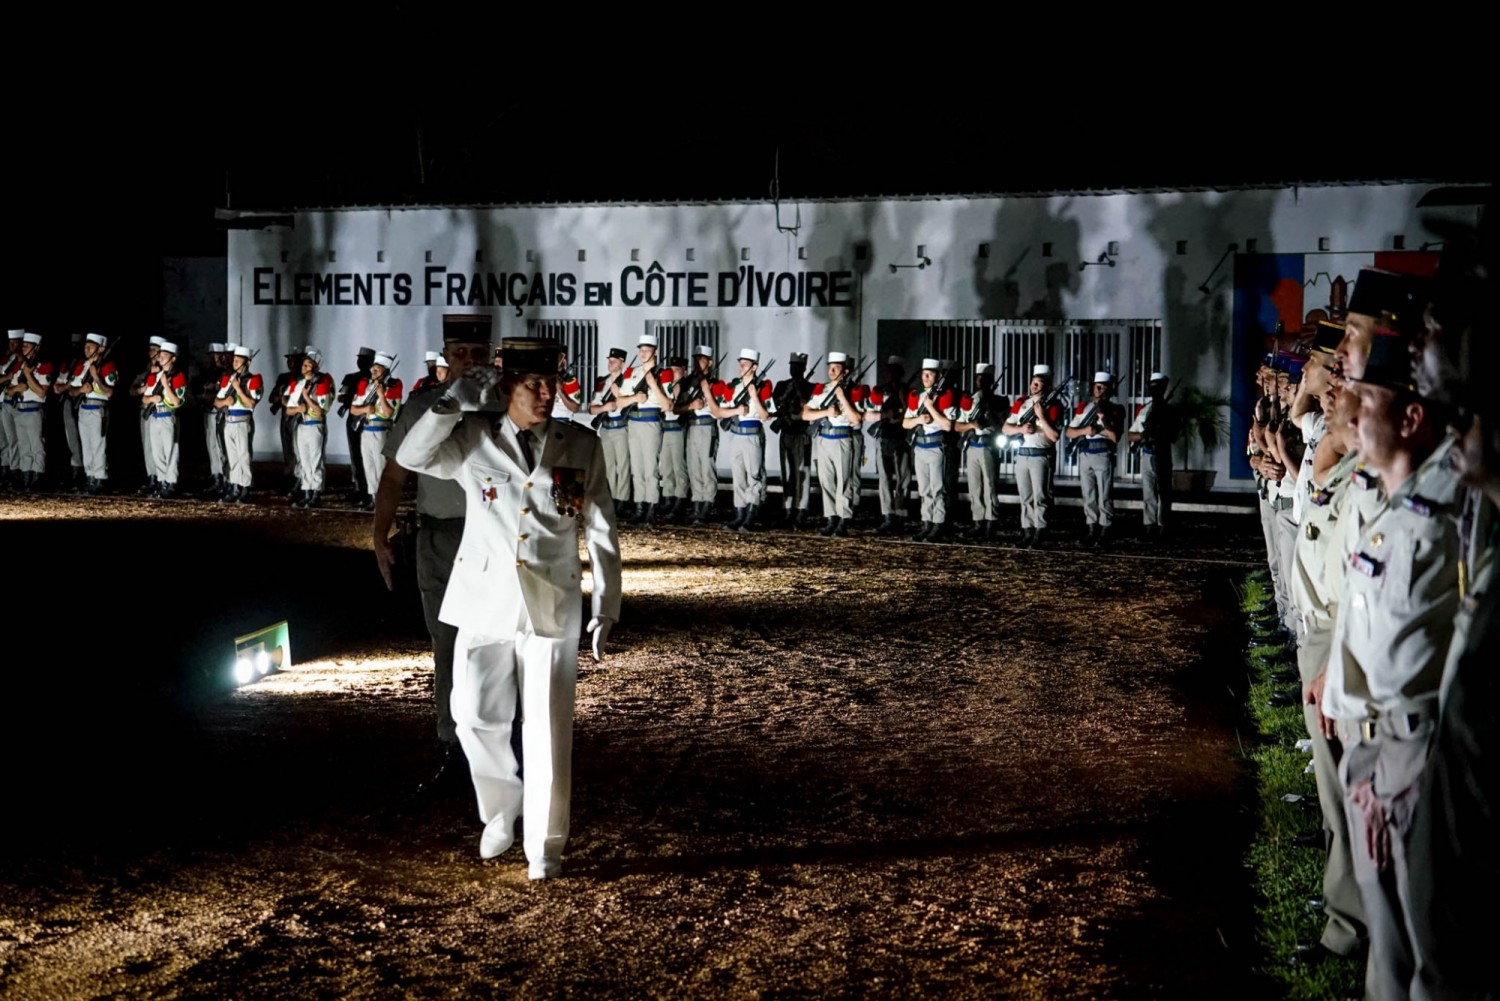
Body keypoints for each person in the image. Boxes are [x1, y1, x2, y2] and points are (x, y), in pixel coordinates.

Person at [395, 337, 622, 881]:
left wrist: (606, 605)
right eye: (532, 385)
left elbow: (601, 526)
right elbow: (411, 456)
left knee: (547, 731)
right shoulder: (473, 438)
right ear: (506, 386)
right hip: (483, 600)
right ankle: (500, 809)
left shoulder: (580, 443)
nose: (547, 394)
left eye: (551, 383)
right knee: (472, 717)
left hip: (553, 602)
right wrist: (449, 401)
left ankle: (545, 846)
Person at [1320, 320, 1457, 1001]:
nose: (1347, 410)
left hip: (1419, 750)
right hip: (1374, 749)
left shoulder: (1451, 511)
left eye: (1362, 400)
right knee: (1392, 951)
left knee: (1431, 957)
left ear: (1410, 415)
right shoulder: (1391, 505)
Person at [374, 319, 497, 787]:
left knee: (498, 644)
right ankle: (452, 746)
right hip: (441, 538)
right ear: (447, 354)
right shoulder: (424, 407)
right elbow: (394, 476)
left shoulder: (509, 406)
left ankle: (502, 747)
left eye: (475, 350)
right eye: (459, 350)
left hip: (494, 539)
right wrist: (379, 536)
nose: (468, 358)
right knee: (446, 642)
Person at [709, 348, 775, 532]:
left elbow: (765, 416)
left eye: (745, 364)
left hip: (752, 434)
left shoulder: (763, 387)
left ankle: (751, 516)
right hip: (736, 435)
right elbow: (719, 412)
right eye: (740, 363)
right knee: (738, 476)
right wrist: (736, 411)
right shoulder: (733, 387)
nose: (741, 367)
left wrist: (754, 395)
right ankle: (739, 514)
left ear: (754, 367)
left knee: (754, 476)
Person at [1002, 364, 1063, 547]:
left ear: (1047, 386)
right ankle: (1027, 530)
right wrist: (1021, 428)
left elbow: (1054, 436)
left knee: (1041, 496)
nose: (1034, 386)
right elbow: (1005, 428)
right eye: (1033, 382)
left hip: (1041, 455)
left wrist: (1042, 417)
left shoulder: (1054, 406)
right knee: (1026, 496)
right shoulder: (1022, 403)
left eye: (1039, 383)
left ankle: (1040, 530)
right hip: (1023, 455)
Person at [612, 333, 670, 525]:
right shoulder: (631, 372)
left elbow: (668, 405)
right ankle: (639, 507)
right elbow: (619, 401)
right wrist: (634, 399)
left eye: (647, 350)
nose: (643, 353)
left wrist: (654, 384)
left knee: (650, 469)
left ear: (656, 352)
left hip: (651, 421)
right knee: (636, 468)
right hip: (633, 422)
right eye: (641, 349)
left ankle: (651, 508)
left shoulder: (663, 374)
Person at [801, 351, 860, 537]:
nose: (832, 371)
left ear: (846, 371)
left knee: (844, 481)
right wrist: (826, 411)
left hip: (842, 438)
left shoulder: (852, 391)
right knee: (826, 480)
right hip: (824, 439)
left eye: (836, 368)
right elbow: (806, 414)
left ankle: (844, 518)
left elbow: (856, 419)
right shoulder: (822, 390)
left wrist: (842, 397)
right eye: (830, 367)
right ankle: (831, 517)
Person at [1067, 371, 1125, 547]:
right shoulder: (1083, 407)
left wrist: (1104, 419)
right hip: (1085, 453)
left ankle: (1106, 527)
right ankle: (1091, 528)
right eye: (1097, 386)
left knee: (1105, 495)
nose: (1099, 390)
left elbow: (1115, 437)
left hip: (1103, 453)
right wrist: (1085, 431)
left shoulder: (1116, 409)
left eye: (1103, 387)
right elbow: (1070, 431)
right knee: (1088, 494)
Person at [902, 357, 957, 542]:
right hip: (920, 446)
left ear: (938, 376)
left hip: (936, 446)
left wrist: (931, 409)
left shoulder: (945, 396)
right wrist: (918, 419)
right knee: (924, 488)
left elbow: (947, 425)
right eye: (924, 373)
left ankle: (938, 523)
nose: (925, 377)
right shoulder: (915, 395)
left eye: (930, 374)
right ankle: (926, 522)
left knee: (937, 488)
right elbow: (905, 423)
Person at [864, 357, 913, 536]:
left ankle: (900, 515)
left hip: (900, 437)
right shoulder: (881, 390)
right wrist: (886, 415)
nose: (891, 374)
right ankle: (888, 516)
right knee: (885, 479)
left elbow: (908, 412)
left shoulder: (904, 389)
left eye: (894, 370)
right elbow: (871, 412)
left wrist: (897, 415)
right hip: (884, 436)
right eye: (889, 370)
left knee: (902, 478)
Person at [349, 351, 403, 511]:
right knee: (369, 467)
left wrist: (381, 395)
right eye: (373, 368)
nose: (373, 371)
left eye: (378, 369)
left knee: (381, 468)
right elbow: (353, 409)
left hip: (381, 430)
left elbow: (388, 413)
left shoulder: (393, 385)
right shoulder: (365, 385)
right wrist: (365, 408)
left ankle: (384, 499)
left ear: (386, 371)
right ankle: (373, 498)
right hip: (365, 429)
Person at [1128, 372, 1180, 538]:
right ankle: (1149, 525)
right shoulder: (1145, 410)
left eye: (1158, 386)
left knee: (1163, 492)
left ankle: (1164, 525)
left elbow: (1173, 436)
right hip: (1146, 453)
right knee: (1148, 492)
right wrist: (1143, 435)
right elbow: (1130, 434)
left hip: (1162, 453)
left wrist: (1159, 430)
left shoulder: (1170, 411)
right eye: (1152, 386)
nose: (1154, 390)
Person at [955, 361, 1002, 540]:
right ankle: (978, 521)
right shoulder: (970, 401)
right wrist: (971, 424)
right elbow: (958, 426)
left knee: (990, 485)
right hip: (973, 445)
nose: (981, 382)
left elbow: (1003, 425)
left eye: (985, 379)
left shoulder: (998, 400)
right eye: (979, 378)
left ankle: (991, 521)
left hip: (988, 444)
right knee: (974, 486)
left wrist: (992, 415)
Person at [283, 348, 335, 508]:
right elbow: (288, 409)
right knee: (304, 461)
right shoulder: (298, 384)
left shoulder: (322, 384)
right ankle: (306, 491)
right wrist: (298, 408)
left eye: (308, 365)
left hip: (314, 425)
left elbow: (321, 411)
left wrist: (306, 398)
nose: (304, 368)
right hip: (302, 425)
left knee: (315, 461)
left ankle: (315, 493)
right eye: (303, 365)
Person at [214, 344, 263, 504]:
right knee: (233, 457)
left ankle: (245, 488)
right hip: (229, 421)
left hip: (243, 421)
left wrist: (238, 389)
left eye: (238, 360)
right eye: (234, 360)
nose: (234, 363)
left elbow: (251, 404)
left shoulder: (253, 380)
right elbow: (216, 401)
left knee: (244, 456)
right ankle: (235, 486)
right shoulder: (228, 379)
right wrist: (224, 401)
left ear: (247, 363)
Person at [4, 332, 51, 492]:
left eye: (26, 346)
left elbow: (41, 392)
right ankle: (26, 476)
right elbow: (8, 391)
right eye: (23, 345)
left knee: (36, 446)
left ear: (36, 348)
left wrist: (28, 376)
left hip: (33, 410)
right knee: (24, 446)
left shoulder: (44, 367)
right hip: (19, 410)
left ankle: (38, 476)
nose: (22, 348)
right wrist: (17, 387)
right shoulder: (18, 366)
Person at [772, 352, 815, 529]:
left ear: (804, 368)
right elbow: (777, 404)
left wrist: (798, 391)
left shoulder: (810, 387)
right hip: (787, 431)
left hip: (801, 432)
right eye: (792, 366)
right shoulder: (782, 385)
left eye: (797, 367)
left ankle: (801, 510)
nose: (794, 370)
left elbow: (809, 407)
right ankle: (788, 509)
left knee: (802, 472)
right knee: (787, 472)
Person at [679, 345, 720, 525]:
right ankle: (697, 503)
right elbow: (677, 407)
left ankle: (707, 504)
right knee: (694, 467)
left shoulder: (716, 383)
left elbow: (719, 409)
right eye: (695, 359)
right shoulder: (687, 382)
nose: (697, 363)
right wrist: (690, 406)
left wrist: (706, 391)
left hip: (706, 426)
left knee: (706, 468)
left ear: (709, 363)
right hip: (692, 426)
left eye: (701, 359)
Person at [588, 347, 632, 515]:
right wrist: (605, 407)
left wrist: (619, 394)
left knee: (623, 466)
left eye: (614, 361)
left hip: (621, 427)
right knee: (608, 467)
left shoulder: (627, 382)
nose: (610, 363)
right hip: (606, 427)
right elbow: (592, 409)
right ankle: (610, 499)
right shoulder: (602, 382)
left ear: (622, 363)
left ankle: (622, 499)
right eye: (609, 360)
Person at [71, 333, 115, 494]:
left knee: (98, 445)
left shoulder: (107, 366)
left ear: (101, 349)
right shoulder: (81, 366)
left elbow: (109, 392)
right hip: (83, 408)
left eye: (91, 346)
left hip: (98, 409)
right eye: (86, 345)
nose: (86, 348)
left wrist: (96, 377)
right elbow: (72, 390)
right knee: (86, 445)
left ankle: (99, 477)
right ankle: (89, 476)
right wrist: (80, 390)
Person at [339, 346, 376, 504]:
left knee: (367, 456)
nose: (361, 362)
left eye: (364, 359)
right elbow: (341, 397)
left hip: (368, 419)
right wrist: (354, 398)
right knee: (355, 454)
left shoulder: (375, 379)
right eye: (359, 358)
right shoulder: (350, 377)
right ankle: (360, 487)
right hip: (354, 417)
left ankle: (369, 489)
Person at [657, 356, 690, 522]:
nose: (674, 373)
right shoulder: (665, 386)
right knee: (666, 467)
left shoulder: (686, 388)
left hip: (678, 429)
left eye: (677, 369)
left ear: (684, 371)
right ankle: (668, 498)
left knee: (679, 467)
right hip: (665, 429)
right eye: (672, 369)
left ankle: (680, 499)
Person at [268, 347, 304, 496]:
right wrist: (282, 400)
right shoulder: (283, 378)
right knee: (287, 448)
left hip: (298, 417)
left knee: (298, 450)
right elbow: (272, 397)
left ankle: (300, 479)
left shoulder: (303, 380)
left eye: (293, 359)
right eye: (288, 359)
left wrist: (286, 400)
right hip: (285, 416)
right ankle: (290, 476)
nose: (290, 362)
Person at [55, 332, 87, 491]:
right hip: (69, 402)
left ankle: (88, 472)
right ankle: (76, 469)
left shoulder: (85, 364)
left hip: (83, 402)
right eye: (73, 345)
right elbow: (57, 388)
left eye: (78, 345)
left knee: (87, 439)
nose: (75, 348)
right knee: (71, 437)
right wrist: (69, 386)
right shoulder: (66, 365)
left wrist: (68, 387)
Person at [198, 342, 229, 498]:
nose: (214, 358)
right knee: (212, 447)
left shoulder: (226, 373)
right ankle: (216, 477)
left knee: (222, 447)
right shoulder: (208, 372)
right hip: (208, 412)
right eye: (212, 356)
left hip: (220, 412)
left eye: (216, 355)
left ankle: (225, 479)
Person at [0, 329, 22, 489]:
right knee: (4, 441)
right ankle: (5, 469)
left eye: (15, 342)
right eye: (10, 342)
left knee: (13, 440)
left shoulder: (21, 361)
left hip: (13, 403)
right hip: (3, 403)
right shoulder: (7, 360)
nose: (12, 345)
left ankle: (15, 471)